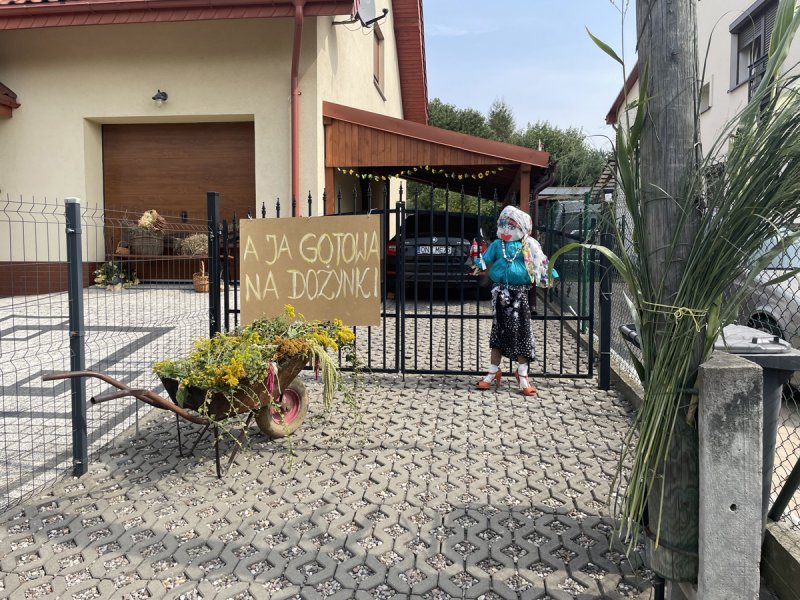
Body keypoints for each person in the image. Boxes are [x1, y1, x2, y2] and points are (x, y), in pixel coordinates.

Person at [472, 205, 552, 396]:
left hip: (520, 296)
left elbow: (540, 262)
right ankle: (493, 371)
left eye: (511, 226)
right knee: (498, 333)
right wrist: (479, 264)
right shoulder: (497, 245)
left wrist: (549, 276)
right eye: (503, 226)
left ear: (522, 228)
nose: (506, 230)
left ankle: (522, 374)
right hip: (500, 294)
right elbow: (486, 258)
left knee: (522, 334)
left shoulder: (529, 245)